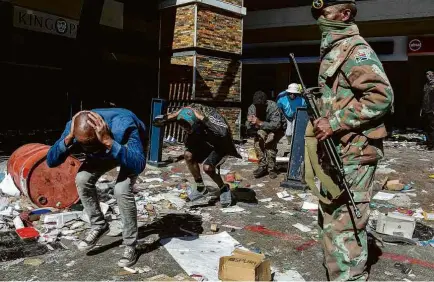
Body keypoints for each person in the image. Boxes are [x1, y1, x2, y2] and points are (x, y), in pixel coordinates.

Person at [306, 0, 394, 280]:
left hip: (355, 151)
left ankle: (349, 277)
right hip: (337, 150)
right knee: (332, 215)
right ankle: (338, 272)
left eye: (325, 12)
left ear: (344, 15)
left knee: (345, 220)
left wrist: (333, 122)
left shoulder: (356, 50)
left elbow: (381, 97)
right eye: (317, 13)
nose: (320, 17)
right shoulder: (336, 49)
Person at [47, 108, 147, 267]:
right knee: (82, 178)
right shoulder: (73, 127)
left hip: (124, 149)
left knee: (121, 189)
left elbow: (138, 164)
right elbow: (51, 161)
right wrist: (69, 139)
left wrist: (108, 141)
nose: (87, 150)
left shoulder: (125, 125)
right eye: (84, 146)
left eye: (92, 145)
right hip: (104, 149)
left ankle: (130, 245)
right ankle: (99, 225)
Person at [153, 104, 240, 207]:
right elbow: (156, 123)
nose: (185, 129)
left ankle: (223, 188)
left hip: (221, 146)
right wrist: (173, 115)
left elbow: (223, 132)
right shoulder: (185, 112)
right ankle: (200, 187)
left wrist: (201, 117)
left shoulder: (210, 114)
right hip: (205, 144)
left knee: (208, 168)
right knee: (188, 155)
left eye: (188, 126)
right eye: (183, 126)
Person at [246, 91, 285, 179]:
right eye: (257, 105)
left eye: (260, 105)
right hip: (263, 127)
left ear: (265, 103)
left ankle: (272, 169)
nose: (258, 107)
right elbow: (248, 123)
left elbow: (276, 125)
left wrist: (259, 122)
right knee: (258, 143)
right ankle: (262, 166)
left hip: (277, 128)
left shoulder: (273, 107)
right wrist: (249, 125)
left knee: (269, 145)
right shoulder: (252, 107)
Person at [276, 83, 307, 149]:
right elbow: (278, 109)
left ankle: (293, 146)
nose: (292, 95)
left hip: (296, 116)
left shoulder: (302, 100)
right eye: (290, 93)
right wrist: (282, 118)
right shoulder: (281, 99)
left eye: (294, 93)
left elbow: (304, 111)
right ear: (288, 92)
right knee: (288, 133)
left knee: (294, 132)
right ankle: (290, 142)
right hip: (286, 116)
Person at [421, 70, 434, 150]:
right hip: (425, 109)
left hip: (432, 109)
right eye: (427, 74)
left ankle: (432, 145)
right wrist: (421, 109)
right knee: (426, 127)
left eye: (430, 74)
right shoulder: (426, 85)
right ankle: (429, 143)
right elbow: (424, 98)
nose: (428, 76)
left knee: (432, 127)